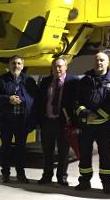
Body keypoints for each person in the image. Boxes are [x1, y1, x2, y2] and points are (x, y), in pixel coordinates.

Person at [74, 52, 110, 194]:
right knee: (84, 154)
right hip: (86, 124)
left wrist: (97, 114)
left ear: (107, 63)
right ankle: (84, 180)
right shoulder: (85, 80)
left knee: (106, 154)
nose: (99, 62)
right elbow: (76, 101)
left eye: (102, 60)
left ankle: (106, 182)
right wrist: (86, 114)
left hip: (104, 125)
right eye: (96, 60)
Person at [33, 57, 77, 186]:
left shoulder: (73, 82)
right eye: (55, 66)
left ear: (66, 67)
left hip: (64, 122)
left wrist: (75, 122)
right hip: (48, 121)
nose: (57, 69)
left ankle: (62, 176)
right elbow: (40, 101)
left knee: (64, 151)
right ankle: (47, 176)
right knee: (47, 151)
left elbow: (76, 102)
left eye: (60, 66)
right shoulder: (46, 81)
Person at [0, 55, 38, 183]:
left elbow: (35, 99)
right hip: (6, 121)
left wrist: (23, 100)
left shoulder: (29, 80)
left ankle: (21, 174)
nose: (16, 66)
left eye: (19, 63)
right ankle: (5, 174)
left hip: (22, 121)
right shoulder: (2, 80)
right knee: (5, 149)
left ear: (23, 65)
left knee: (21, 149)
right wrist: (8, 99)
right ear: (9, 65)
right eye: (13, 63)